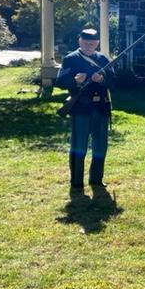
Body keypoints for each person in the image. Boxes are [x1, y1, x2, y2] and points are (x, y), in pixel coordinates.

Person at [55, 28, 115, 189]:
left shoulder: (103, 59)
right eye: (86, 42)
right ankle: (76, 181)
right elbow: (60, 82)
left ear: (97, 43)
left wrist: (102, 79)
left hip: (101, 107)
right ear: (79, 41)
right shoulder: (71, 59)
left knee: (100, 145)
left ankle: (96, 179)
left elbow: (113, 80)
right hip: (81, 108)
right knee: (79, 145)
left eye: (92, 43)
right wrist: (75, 81)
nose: (89, 46)